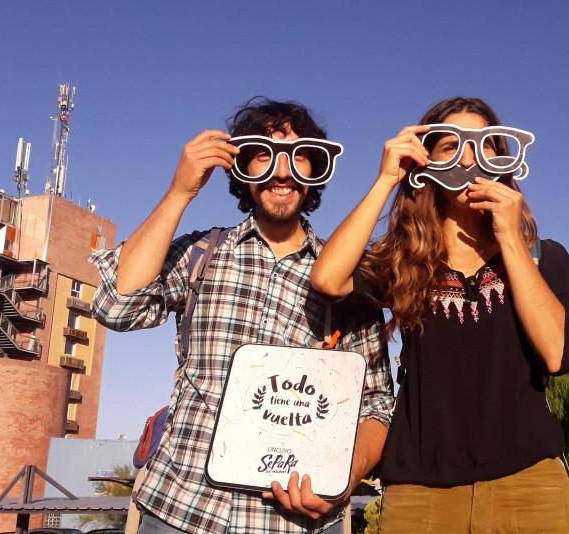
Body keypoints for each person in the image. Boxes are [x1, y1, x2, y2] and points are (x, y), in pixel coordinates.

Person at [89, 97, 394, 534]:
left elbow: (378, 403)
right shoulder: (202, 254)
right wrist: (180, 192)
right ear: (241, 169)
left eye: (300, 156)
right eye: (263, 155)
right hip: (179, 510)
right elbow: (117, 307)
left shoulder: (345, 277)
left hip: (292, 522)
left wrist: (346, 476)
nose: (282, 172)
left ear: (318, 170)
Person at [311, 97, 569, 533]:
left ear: (503, 158)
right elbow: (327, 278)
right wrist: (387, 179)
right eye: (450, 147)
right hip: (421, 493)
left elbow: (557, 354)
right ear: (426, 164)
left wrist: (510, 240)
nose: (468, 159)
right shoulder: (403, 262)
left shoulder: (543, 257)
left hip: (530, 483)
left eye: (483, 146)